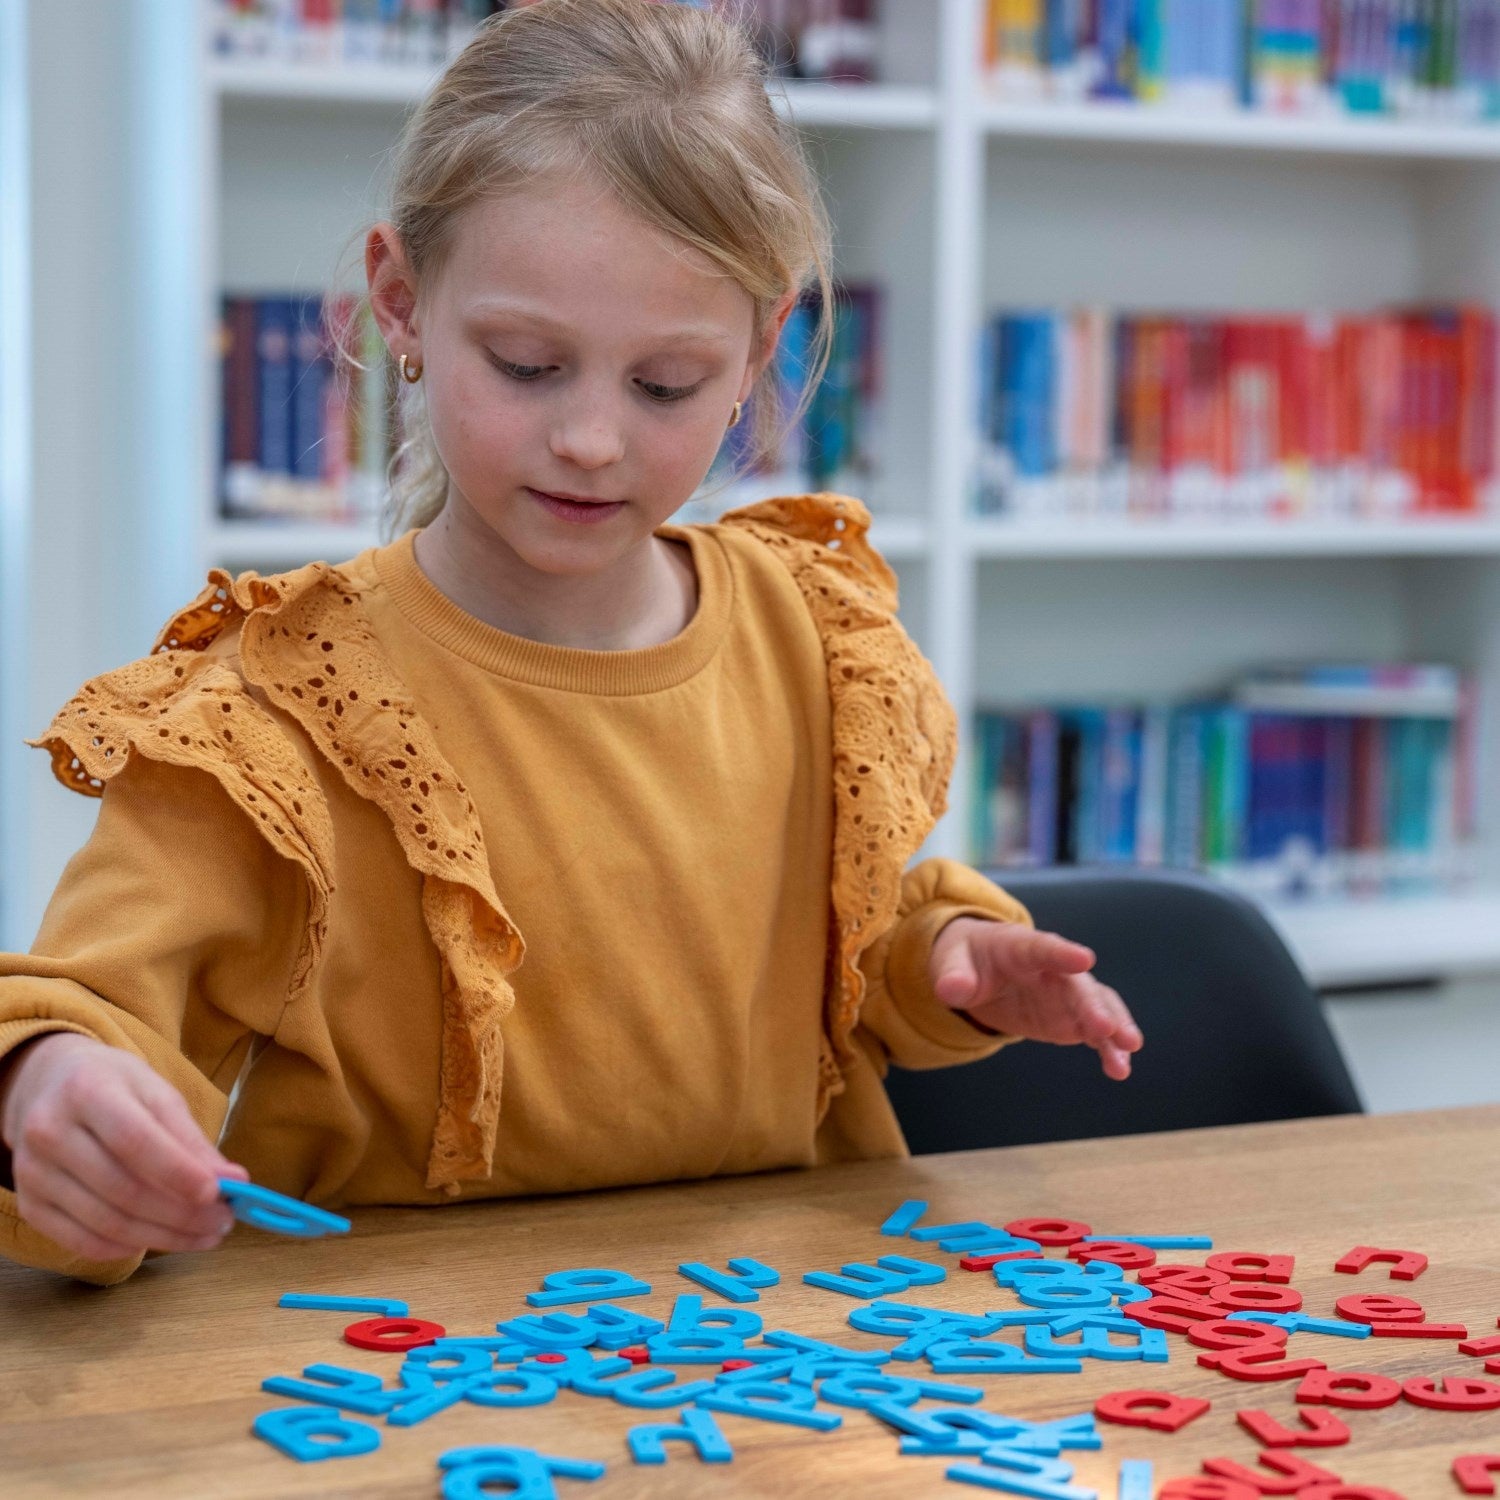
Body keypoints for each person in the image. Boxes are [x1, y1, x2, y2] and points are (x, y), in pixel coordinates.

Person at [0, 0, 1139, 1285]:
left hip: (777, 1363)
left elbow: (836, 959)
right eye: (529, 364)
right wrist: (51, 1083)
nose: (592, 440)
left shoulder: (813, 639)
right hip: (394, 1383)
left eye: (665, 386)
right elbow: (82, 1004)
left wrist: (949, 960)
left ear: (762, 349)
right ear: (402, 303)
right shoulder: (273, 710)